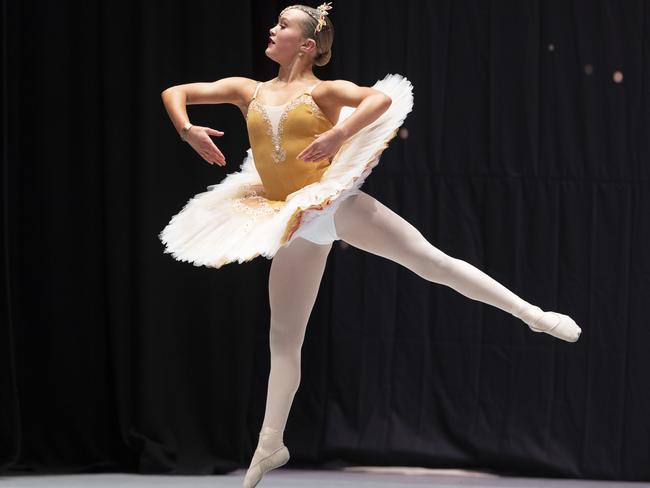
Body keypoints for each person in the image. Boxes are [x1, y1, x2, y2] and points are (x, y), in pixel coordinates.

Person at [158, 3, 582, 486]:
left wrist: (339, 131)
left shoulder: (326, 90)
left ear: (307, 45)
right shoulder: (247, 90)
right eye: (274, 23)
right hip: (288, 219)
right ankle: (270, 443)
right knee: (284, 338)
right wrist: (188, 129)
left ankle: (532, 315)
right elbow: (177, 92)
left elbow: (379, 99)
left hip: (333, 203)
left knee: (432, 262)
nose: (271, 31)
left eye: (282, 26)